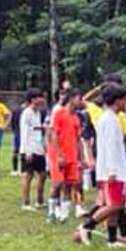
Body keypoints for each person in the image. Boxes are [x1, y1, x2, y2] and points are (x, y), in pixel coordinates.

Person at [75, 85, 126, 248]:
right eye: (124, 100)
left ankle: (112, 239)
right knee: (114, 205)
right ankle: (86, 227)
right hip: (112, 169)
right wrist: (111, 171)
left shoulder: (110, 118)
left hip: (115, 168)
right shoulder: (109, 120)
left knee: (117, 206)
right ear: (117, 101)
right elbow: (110, 147)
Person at [46, 89, 84, 223]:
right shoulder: (58, 114)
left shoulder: (76, 118)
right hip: (59, 155)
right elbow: (53, 135)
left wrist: (81, 158)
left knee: (69, 184)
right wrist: (59, 155)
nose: (80, 101)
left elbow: (78, 139)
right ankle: (51, 212)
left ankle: (64, 215)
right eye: (79, 98)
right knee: (57, 183)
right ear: (71, 98)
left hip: (72, 156)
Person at [19, 89, 48, 209]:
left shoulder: (38, 113)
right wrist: (27, 151)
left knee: (43, 174)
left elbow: (37, 131)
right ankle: (26, 203)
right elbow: (24, 133)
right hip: (29, 149)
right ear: (32, 99)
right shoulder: (27, 113)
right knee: (28, 175)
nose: (41, 100)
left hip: (38, 148)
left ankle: (39, 201)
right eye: (39, 97)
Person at [10, 98, 27, 176]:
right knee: (22, 152)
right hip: (22, 134)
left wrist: (14, 130)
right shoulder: (26, 111)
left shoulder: (15, 110)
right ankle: (22, 169)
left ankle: (15, 169)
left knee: (16, 151)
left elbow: (12, 122)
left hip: (16, 133)